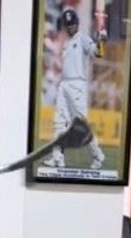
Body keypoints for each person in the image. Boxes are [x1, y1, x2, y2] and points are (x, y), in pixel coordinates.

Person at [43, 8, 107, 170]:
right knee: (58, 122)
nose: (70, 27)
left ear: (77, 24)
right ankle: (57, 159)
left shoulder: (83, 39)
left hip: (77, 85)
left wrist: (101, 41)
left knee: (81, 126)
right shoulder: (66, 42)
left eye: (72, 24)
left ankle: (98, 156)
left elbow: (97, 53)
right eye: (68, 25)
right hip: (64, 84)